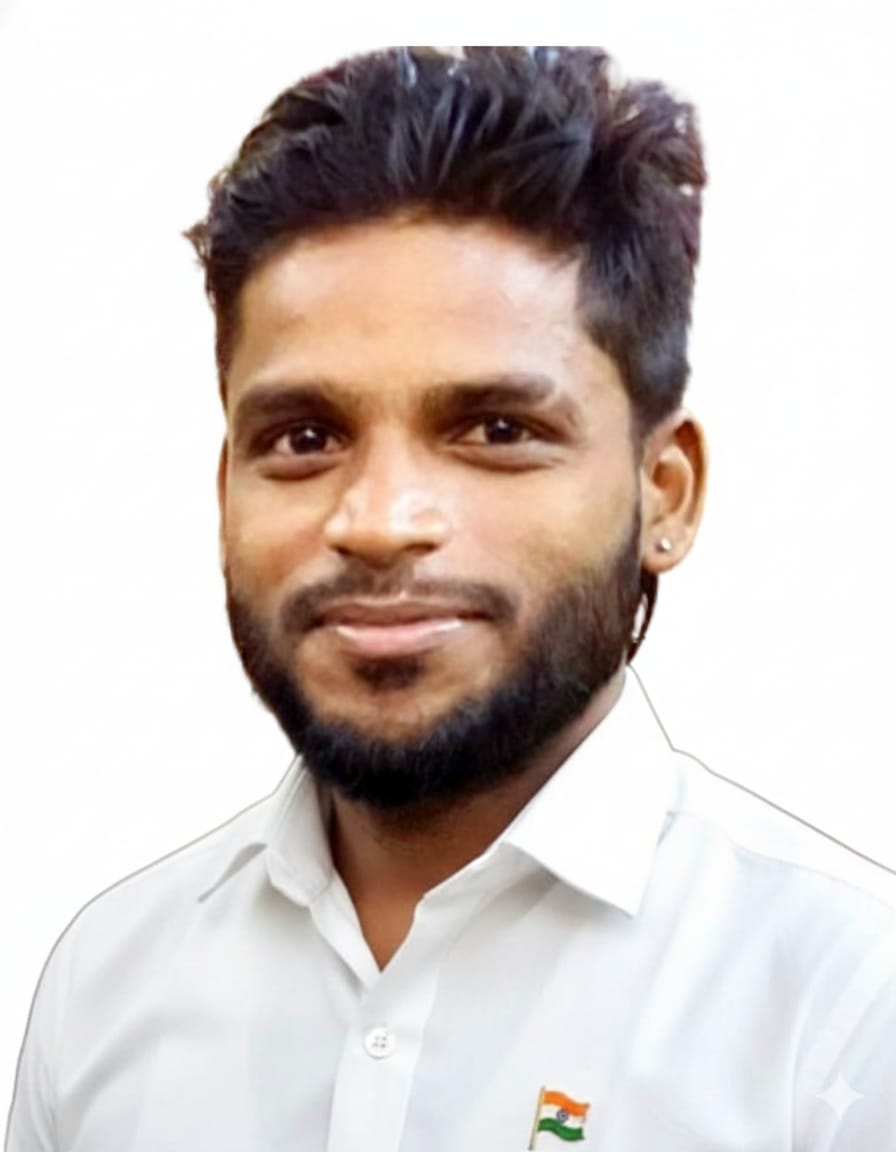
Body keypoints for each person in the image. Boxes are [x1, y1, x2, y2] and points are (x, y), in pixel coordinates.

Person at [6, 45, 896, 1152]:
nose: (379, 520)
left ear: (664, 493)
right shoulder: (108, 987)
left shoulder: (845, 1011)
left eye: (496, 429)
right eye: (304, 437)